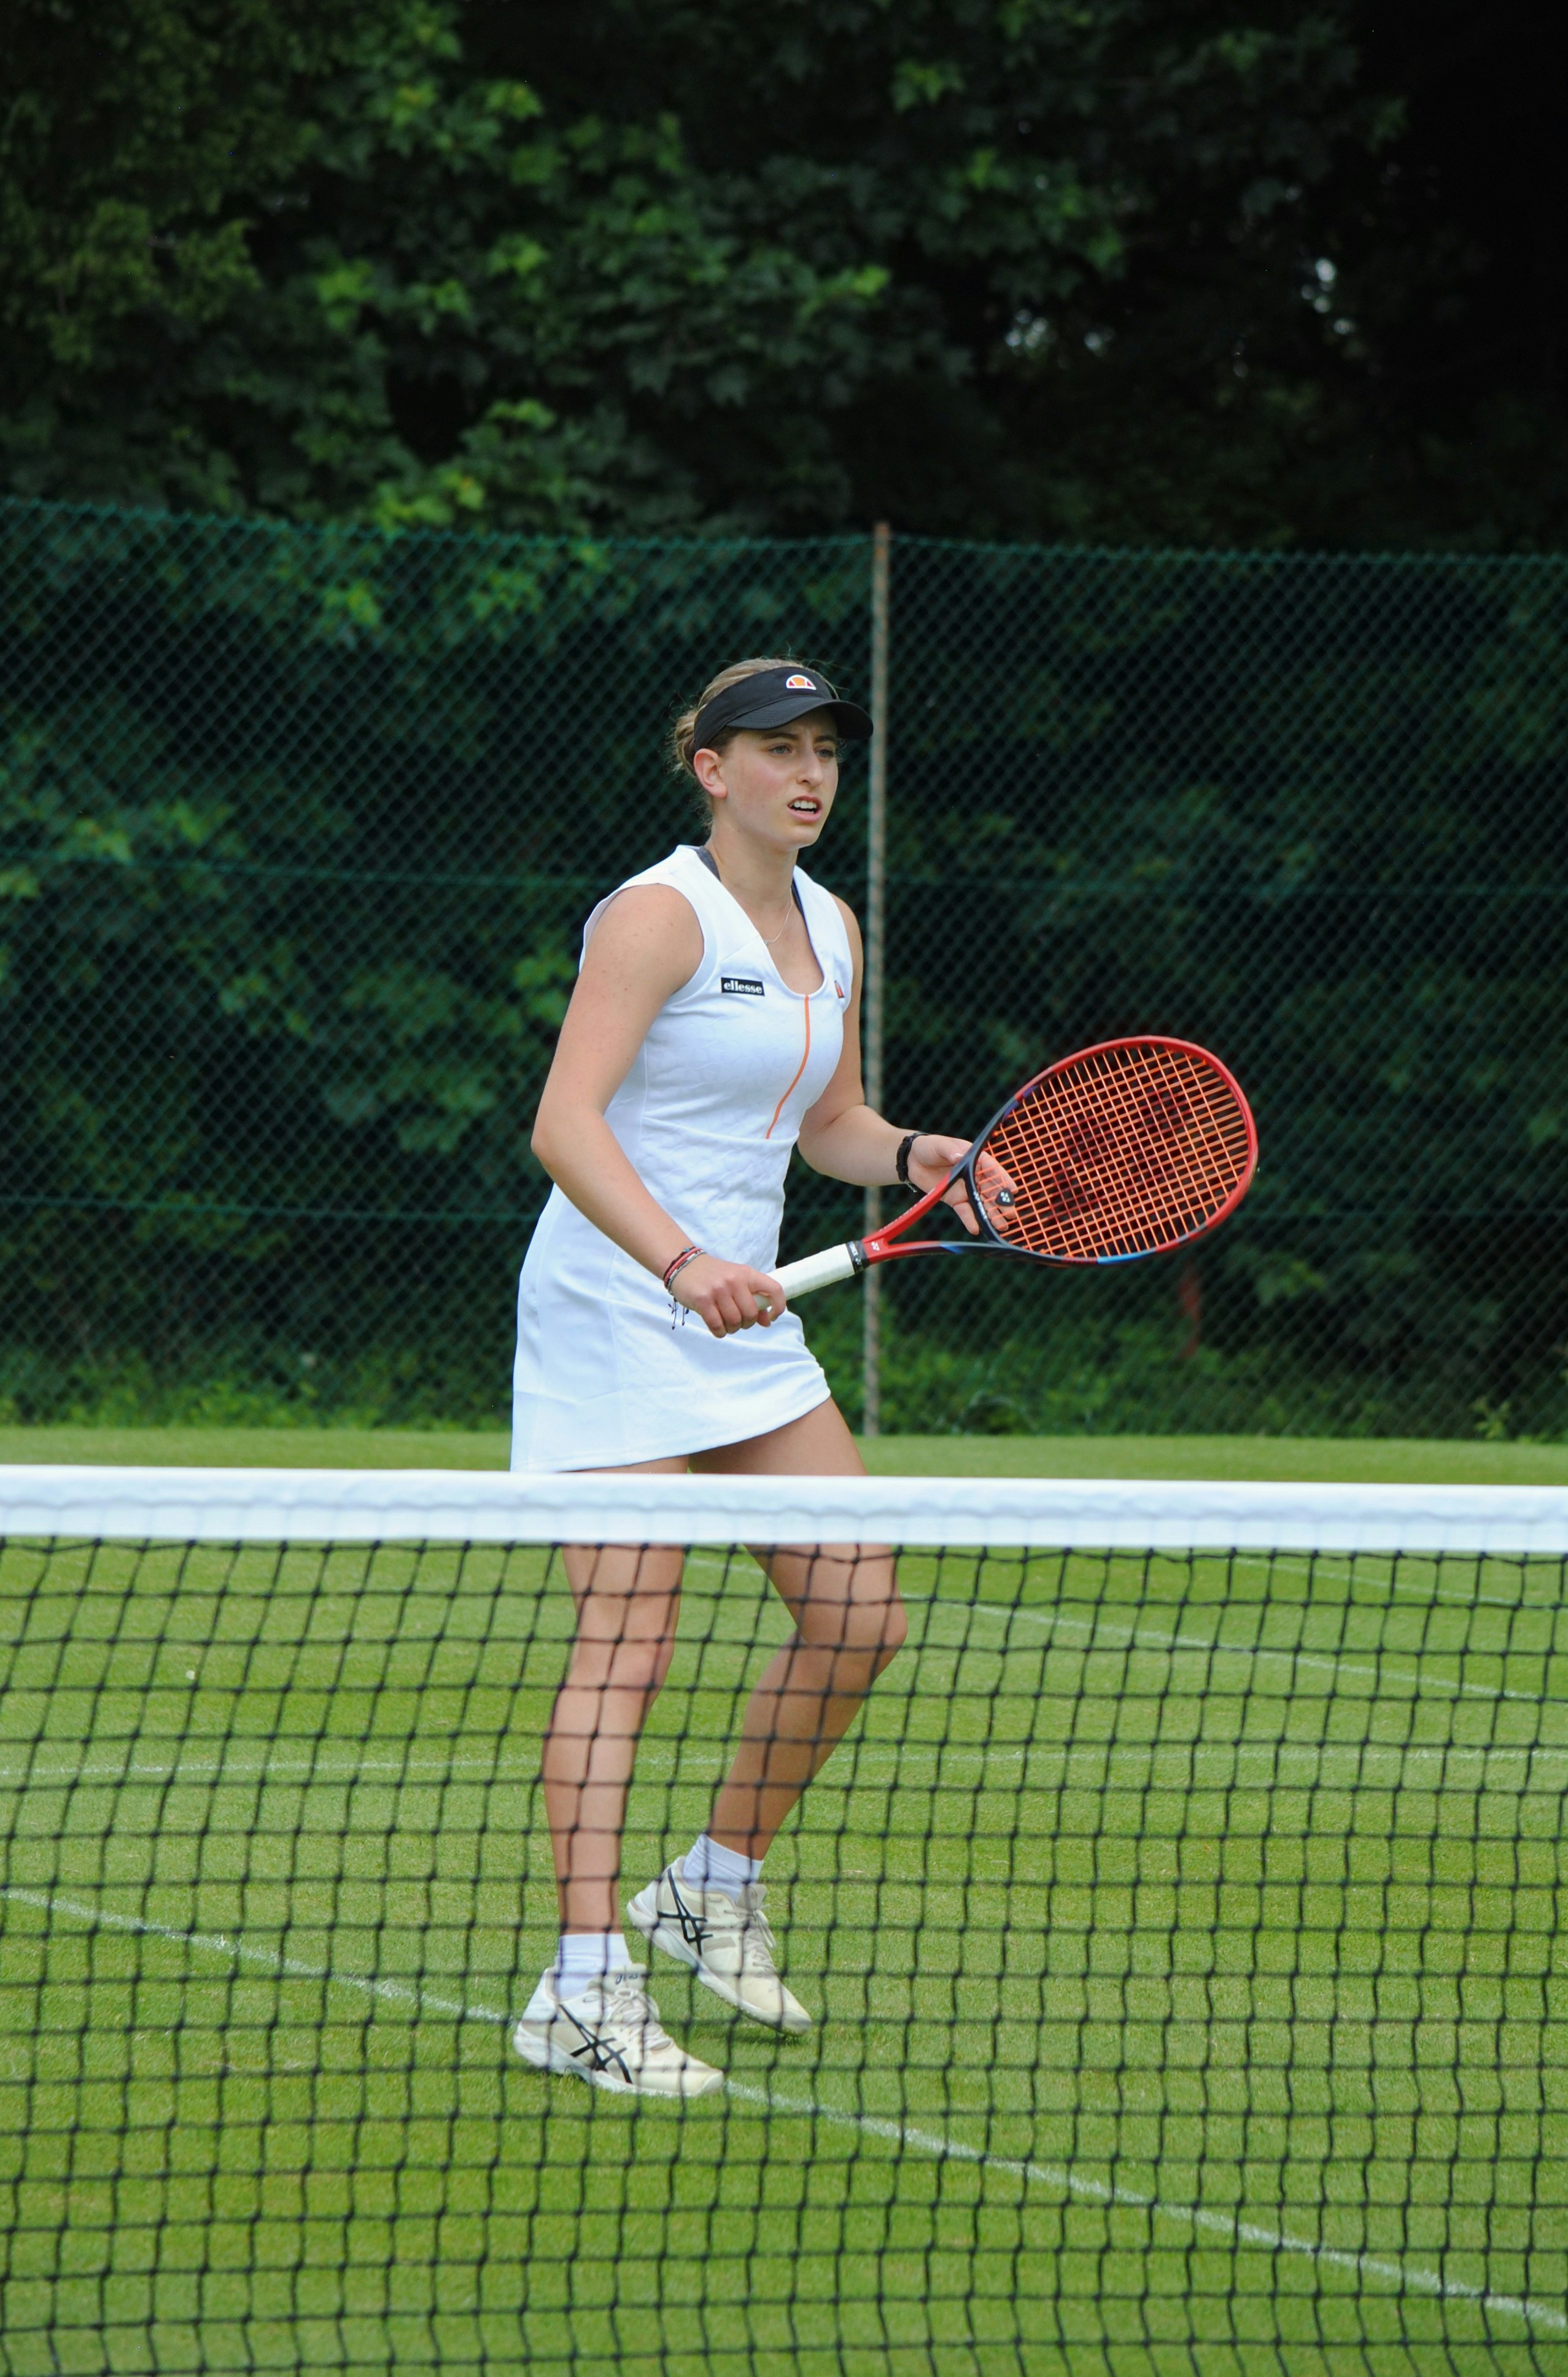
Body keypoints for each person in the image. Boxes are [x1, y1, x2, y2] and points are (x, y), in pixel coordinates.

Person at [510, 657, 1003, 2099]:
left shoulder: (832, 925)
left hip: (749, 1316)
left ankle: (711, 1880)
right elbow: (565, 1122)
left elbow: (829, 1121)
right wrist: (675, 1262)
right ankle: (584, 1986)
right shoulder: (658, 915)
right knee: (631, 1642)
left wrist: (917, 1158)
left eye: (826, 753)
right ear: (709, 766)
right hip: (619, 1303)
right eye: (776, 749)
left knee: (862, 1615)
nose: (809, 774)